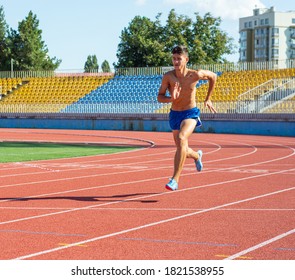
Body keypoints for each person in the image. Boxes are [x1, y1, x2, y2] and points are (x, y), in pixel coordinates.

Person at [157, 45, 217, 191]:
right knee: (181, 148)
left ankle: (174, 180)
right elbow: (159, 97)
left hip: (190, 113)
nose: (176, 62)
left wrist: (208, 98)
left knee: (183, 138)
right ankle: (196, 156)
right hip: (175, 114)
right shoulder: (168, 77)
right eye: (174, 59)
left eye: (179, 59)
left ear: (186, 59)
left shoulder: (194, 75)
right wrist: (172, 98)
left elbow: (213, 76)